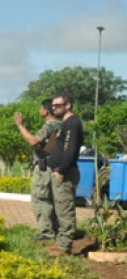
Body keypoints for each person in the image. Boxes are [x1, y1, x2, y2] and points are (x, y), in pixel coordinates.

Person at [14, 100, 62, 241]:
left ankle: (46, 231)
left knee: (40, 198)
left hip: (44, 167)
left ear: (46, 111)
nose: (39, 111)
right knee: (51, 198)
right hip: (52, 165)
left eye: (41, 108)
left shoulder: (50, 125)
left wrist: (20, 125)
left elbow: (33, 141)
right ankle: (55, 228)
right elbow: (51, 146)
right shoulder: (60, 124)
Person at [48, 92, 84, 255]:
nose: (54, 108)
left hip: (65, 173)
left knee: (65, 209)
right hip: (60, 171)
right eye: (53, 105)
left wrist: (61, 170)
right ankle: (61, 242)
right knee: (60, 209)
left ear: (68, 105)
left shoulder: (72, 124)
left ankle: (64, 246)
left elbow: (70, 151)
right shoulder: (65, 123)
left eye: (58, 105)